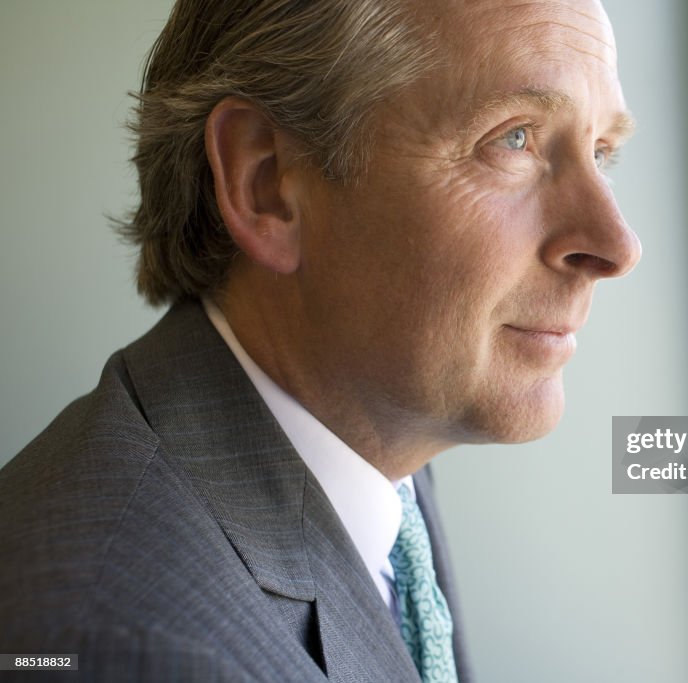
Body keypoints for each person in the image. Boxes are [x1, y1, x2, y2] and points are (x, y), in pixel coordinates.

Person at [0, 0, 641, 680]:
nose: (617, 244)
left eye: (603, 150)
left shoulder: (372, 443)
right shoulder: (126, 649)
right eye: (514, 138)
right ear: (266, 182)